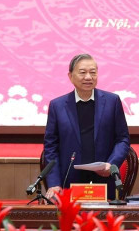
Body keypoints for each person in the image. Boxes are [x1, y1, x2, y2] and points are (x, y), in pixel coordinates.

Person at [43, 54, 130, 199]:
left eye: (93, 72)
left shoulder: (112, 101)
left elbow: (122, 139)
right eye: (82, 72)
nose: (88, 77)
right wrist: (54, 183)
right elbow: (51, 147)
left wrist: (111, 164)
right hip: (68, 182)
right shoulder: (57, 106)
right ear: (70, 76)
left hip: (104, 180)